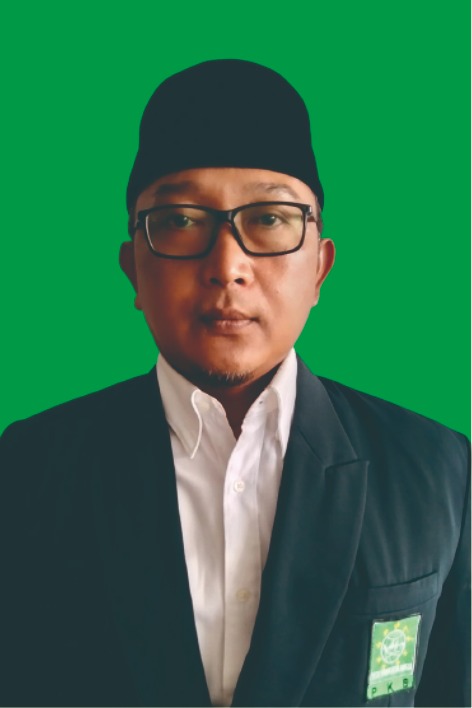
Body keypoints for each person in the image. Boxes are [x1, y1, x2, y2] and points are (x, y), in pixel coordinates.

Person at [0, 59, 469, 708]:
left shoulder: (437, 467)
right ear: (133, 269)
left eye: (270, 218)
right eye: (180, 220)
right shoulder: (27, 468)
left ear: (320, 268)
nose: (227, 266)